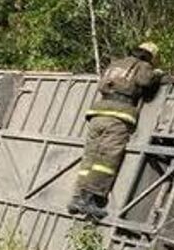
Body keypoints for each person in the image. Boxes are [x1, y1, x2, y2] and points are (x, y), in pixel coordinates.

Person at [68, 42, 163, 221]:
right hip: (117, 115)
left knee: (91, 156)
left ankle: (76, 198)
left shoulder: (116, 63)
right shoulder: (142, 66)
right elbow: (145, 81)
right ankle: (89, 200)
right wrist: (157, 75)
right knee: (107, 158)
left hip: (97, 114)